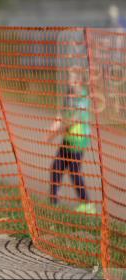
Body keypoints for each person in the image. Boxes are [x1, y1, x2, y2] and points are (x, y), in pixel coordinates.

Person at [46, 67, 94, 214]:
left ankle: (87, 204)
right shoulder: (69, 95)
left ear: (79, 81)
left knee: (74, 172)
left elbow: (72, 120)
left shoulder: (83, 99)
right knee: (56, 168)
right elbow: (61, 114)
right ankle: (53, 202)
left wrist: (54, 133)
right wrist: (52, 127)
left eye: (72, 79)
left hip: (78, 142)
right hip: (67, 139)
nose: (69, 82)